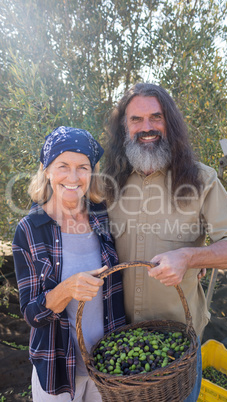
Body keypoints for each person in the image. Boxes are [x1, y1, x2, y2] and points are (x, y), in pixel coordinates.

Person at [103, 83, 227, 401]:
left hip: (178, 346)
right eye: (136, 120)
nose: (146, 128)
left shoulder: (201, 180)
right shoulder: (108, 182)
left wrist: (190, 257)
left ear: (169, 122)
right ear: (123, 127)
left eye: (156, 117)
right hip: (117, 341)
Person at [12, 126, 125, 401]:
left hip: (108, 366)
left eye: (82, 167)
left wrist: (188, 256)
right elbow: (31, 314)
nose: (73, 177)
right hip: (58, 370)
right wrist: (66, 290)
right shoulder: (30, 229)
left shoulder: (103, 218)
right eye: (63, 165)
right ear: (46, 169)